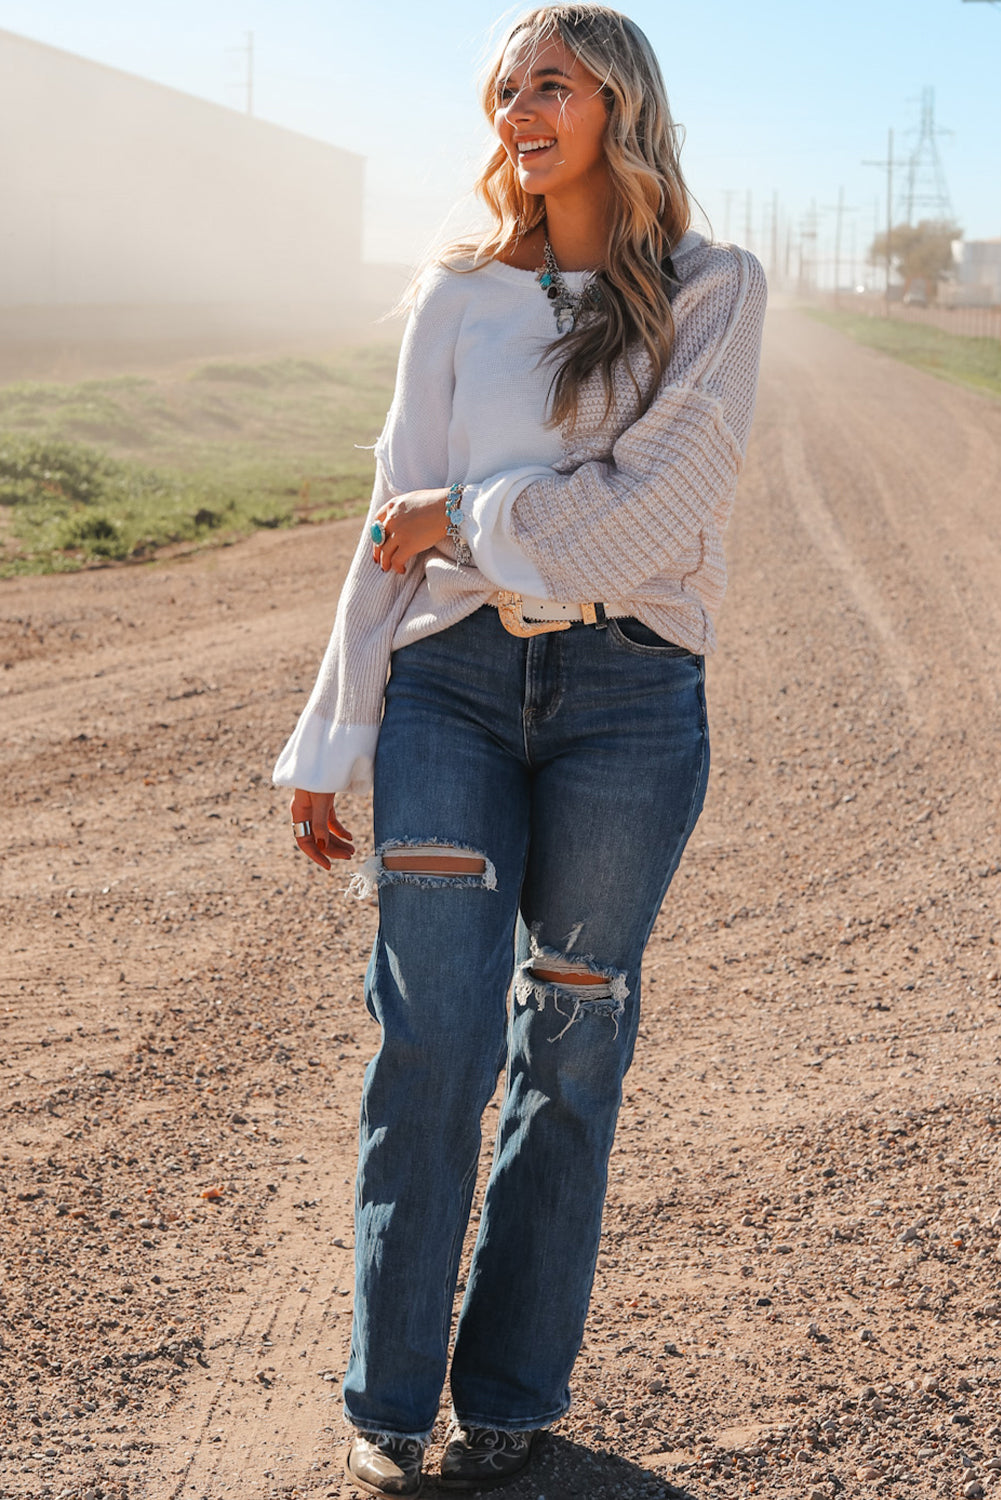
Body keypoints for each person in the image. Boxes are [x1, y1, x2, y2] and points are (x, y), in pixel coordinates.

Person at [273, 5, 766, 1494]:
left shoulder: (713, 290)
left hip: (628, 696)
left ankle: (508, 1401)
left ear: (618, 102)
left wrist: (471, 522)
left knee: (570, 1043)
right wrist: (328, 734)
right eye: (502, 89)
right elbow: (384, 528)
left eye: (546, 83)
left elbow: (644, 520)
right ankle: (386, 1402)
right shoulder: (455, 300)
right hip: (451, 694)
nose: (514, 112)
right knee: (428, 1038)